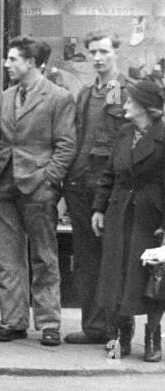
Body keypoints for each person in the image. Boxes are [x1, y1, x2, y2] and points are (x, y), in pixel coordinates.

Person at [0, 37, 76, 347]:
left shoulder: (59, 97)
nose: (7, 64)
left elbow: (66, 145)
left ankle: (49, 323)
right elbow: (0, 137)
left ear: (31, 62)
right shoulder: (7, 94)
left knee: (44, 256)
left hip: (37, 185)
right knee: (6, 257)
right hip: (2, 182)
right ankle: (13, 321)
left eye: (13, 59)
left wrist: (49, 178)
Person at [91, 78, 165, 362]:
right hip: (119, 213)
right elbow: (110, 174)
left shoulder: (163, 135)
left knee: (151, 277)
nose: (126, 105)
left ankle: (152, 339)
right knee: (115, 277)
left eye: (131, 101)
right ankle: (119, 337)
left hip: (150, 216)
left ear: (147, 107)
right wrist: (99, 208)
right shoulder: (124, 132)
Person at [63, 31, 128, 344]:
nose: (98, 58)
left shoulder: (121, 90)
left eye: (104, 51)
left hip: (110, 187)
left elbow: (122, 141)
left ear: (116, 52)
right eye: (93, 52)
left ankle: (114, 328)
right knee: (86, 260)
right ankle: (93, 327)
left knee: (112, 258)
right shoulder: (86, 94)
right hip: (79, 184)